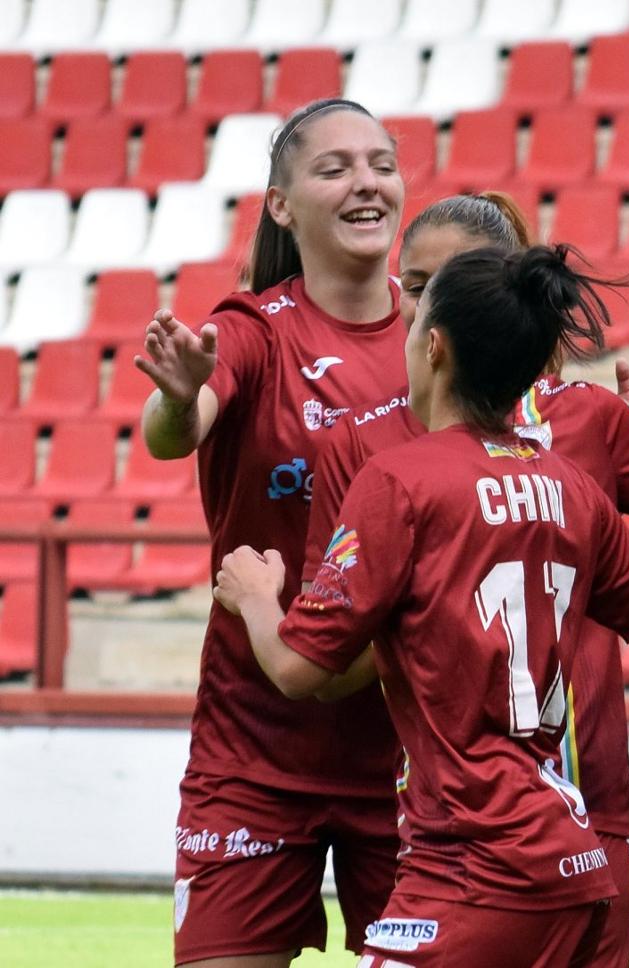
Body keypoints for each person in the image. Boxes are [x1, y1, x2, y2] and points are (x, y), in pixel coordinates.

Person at [211, 243, 629, 967]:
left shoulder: (399, 481)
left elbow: (301, 671)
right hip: (573, 858)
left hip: (475, 864)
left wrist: (254, 598)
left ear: (433, 347)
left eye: (411, 327)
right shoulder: (571, 488)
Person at [137, 98, 412, 967]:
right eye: (334, 168)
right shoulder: (253, 330)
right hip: (252, 752)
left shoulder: (445, 343)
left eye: (381, 162)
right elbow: (170, 429)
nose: (366, 182)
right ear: (282, 205)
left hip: (413, 761)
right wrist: (181, 396)